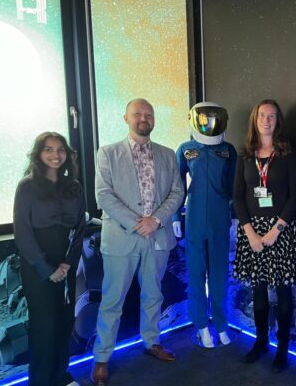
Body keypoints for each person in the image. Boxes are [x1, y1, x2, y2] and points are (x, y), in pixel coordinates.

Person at [91, 98, 185, 385]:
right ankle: (102, 358)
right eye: (138, 114)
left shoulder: (168, 154)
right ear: (126, 118)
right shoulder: (107, 153)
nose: (144, 118)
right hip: (123, 238)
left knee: (153, 294)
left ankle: (151, 342)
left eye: (148, 114)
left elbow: (177, 192)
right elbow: (103, 195)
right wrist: (137, 223)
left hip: (157, 235)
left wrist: (154, 220)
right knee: (112, 300)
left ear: (154, 119)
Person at [233, 99, 296, 373]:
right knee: (258, 289)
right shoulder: (245, 155)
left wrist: (276, 231)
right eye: (262, 115)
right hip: (252, 232)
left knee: (283, 291)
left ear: (278, 121)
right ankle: (261, 342)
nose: (266, 120)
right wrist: (250, 232)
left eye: (272, 116)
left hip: (281, 231)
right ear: (255, 119)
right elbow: (238, 196)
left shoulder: (288, 154)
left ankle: (282, 348)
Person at [13, 132, 85, 386]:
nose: (55, 155)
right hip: (37, 267)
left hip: (66, 265)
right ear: (39, 154)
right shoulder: (27, 186)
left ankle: (61, 376)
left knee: (66, 321)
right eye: (48, 149)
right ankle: (41, 381)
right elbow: (22, 233)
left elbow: (79, 228)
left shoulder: (74, 186)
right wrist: (47, 269)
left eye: (60, 149)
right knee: (44, 326)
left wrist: (67, 263)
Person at [172, 102, 237, 347]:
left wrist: (236, 215)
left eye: (214, 119)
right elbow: (177, 186)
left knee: (219, 276)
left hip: (221, 218)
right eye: (204, 119)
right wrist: (176, 217)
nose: (209, 124)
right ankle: (201, 325)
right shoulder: (186, 149)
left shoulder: (228, 150)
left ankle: (221, 325)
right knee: (197, 275)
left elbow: (233, 186)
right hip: (196, 218)